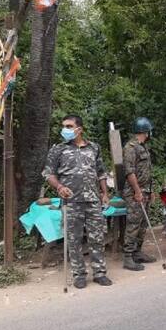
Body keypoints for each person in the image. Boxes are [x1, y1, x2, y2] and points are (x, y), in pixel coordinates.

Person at [42, 115, 112, 288]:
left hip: (93, 200)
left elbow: (101, 172)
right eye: (64, 126)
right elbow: (48, 173)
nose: (64, 129)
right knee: (74, 239)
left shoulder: (94, 148)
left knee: (97, 237)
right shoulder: (58, 150)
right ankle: (79, 274)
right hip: (71, 201)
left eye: (69, 126)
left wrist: (104, 193)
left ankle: (100, 272)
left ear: (79, 129)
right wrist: (59, 187)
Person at [121, 117, 157, 271]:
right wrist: (137, 191)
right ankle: (128, 257)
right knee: (134, 224)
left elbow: (146, 171)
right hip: (134, 192)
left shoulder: (143, 147)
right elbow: (130, 172)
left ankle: (137, 252)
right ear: (145, 131)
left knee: (143, 224)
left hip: (145, 190)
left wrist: (150, 190)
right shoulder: (130, 147)